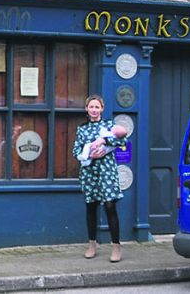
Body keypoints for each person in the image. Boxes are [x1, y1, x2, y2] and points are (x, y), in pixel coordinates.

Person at [72, 94, 127, 263]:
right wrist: (90, 155)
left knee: (110, 207)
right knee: (91, 207)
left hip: (107, 172)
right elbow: (76, 152)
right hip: (90, 172)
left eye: (97, 107)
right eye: (91, 107)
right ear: (86, 109)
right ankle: (92, 245)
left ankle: (116, 246)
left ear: (102, 109)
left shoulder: (109, 126)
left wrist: (104, 141)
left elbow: (123, 141)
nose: (94, 110)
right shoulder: (82, 129)